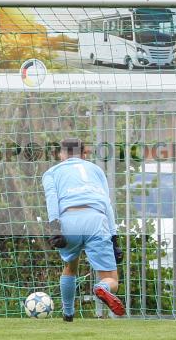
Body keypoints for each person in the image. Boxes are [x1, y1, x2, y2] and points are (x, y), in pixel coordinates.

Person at [42, 138, 124, 322]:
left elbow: (51, 200)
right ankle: (102, 287)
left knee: (70, 266)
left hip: (69, 219)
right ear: (84, 154)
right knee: (112, 279)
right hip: (96, 219)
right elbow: (106, 204)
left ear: (61, 154)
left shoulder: (51, 173)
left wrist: (55, 228)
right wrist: (114, 237)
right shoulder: (96, 170)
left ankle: (68, 313)